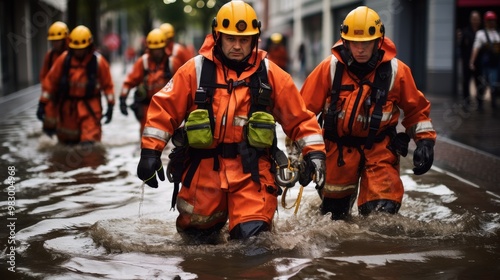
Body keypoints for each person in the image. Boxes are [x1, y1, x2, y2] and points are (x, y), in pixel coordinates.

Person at [137, 0, 326, 243]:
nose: (237, 46)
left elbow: (300, 119)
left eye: (244, 40)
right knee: (196, 244)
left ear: (255, 39)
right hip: (203, 172)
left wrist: (315, 154)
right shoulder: (194, 70)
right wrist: (150, 153)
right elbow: (163, 109)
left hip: (253, 174)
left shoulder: (271, 75)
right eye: (230, 39)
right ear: (217, 36)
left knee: (254, 244)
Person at [299, 6, 436, 220]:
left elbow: (417, 110)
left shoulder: (396, 72)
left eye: (366, 43)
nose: (360, 49)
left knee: (381, 218)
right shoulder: (330, 69)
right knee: (333, 217)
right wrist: (306, 154)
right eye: (355, 42)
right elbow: (302, 114)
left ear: (378, 41)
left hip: (380, 150)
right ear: (345, 42)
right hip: (338, 152)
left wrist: (425, 142)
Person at [38, 25, 115, 145]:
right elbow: (50, 81)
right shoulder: (64, 60)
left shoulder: (99, 62)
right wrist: (42, 103)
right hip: (68, 109)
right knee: (67, 143)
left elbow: (108, 85)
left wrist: (111, 106)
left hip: (90, 108)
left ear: (89, 46)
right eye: (76, 48)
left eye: (82, 48)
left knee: (89, 145)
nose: (79, 51)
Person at [119, 28, 182, 136]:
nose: (156, 52)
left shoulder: (172, 63)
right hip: (147, 107)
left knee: (169, 136)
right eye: (154, 49)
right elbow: (129, 81)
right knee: (147, 137)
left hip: (167, 108)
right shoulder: (142, 62)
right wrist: (122, 99)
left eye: (159, 49)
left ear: (164, 47)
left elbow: (183, 86)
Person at [37, 21, 69, 136]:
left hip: (69, 96)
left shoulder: (71, 55)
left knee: (69, 127)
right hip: (54, 96)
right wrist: (43, 101)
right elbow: (45, 78)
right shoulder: (50, 56)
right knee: (49, 123)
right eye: (53, 41)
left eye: (58, 40)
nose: (55, 43)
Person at [470, 11, 500, 110]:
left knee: (494, 83)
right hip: (485, 64)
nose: (491, 22)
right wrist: (472, 61)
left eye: (493, 20)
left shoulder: (497, 33)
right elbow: (476, 48)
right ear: (485, 22)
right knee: (482, 84)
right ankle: (480, 103)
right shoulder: (481, 34)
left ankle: (494, 102)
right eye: (489, 21)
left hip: (495, 64)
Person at [458, 10, 482, 107]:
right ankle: (466, 101)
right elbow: (461, 47)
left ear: (480, 20)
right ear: (471, 20)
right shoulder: (465, 32)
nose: (475, 21)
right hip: (467, 61)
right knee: (466, 82)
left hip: (479, 62)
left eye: (477, 19)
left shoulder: (482, 32)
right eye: (473, 19)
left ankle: (480, 102)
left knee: (479, 82)